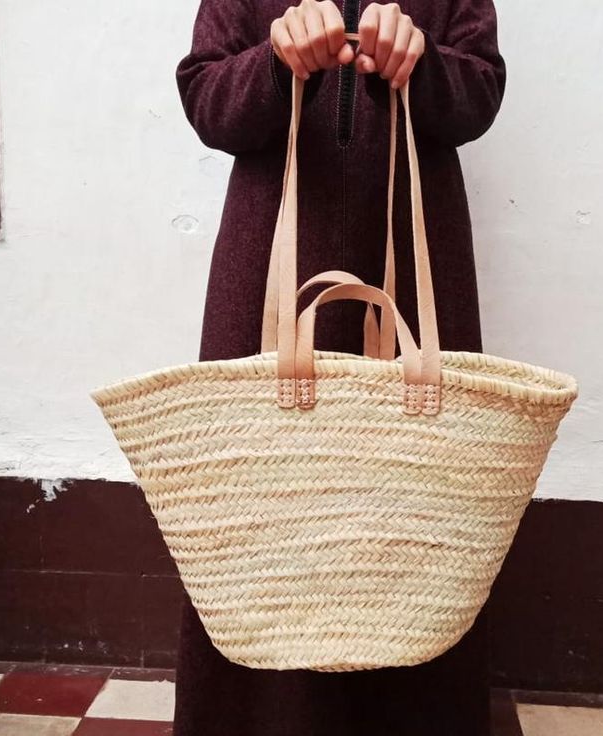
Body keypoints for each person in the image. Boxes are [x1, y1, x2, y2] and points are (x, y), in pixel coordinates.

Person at [173, 1, 506, 734]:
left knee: (421, 497)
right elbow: (205, 99)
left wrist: (423, 64)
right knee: (257, 495)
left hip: (417, 265)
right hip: (269, 253)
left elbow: (481, 93)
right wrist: (274, 62)